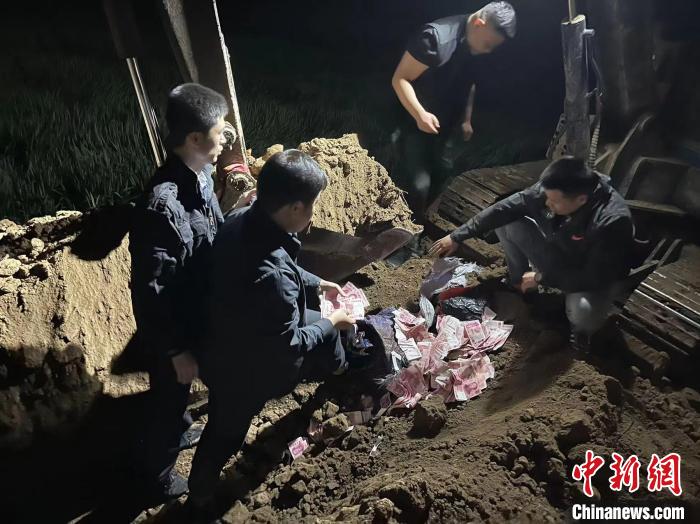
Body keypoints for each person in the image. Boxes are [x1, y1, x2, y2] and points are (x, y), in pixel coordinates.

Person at [185, 149, 354, 514]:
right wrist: (334, 321)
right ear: (294, 208)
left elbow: (283, 264)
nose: (313, 214)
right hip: (243, 369)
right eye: (312, 206)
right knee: (225, 432)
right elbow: (288, 345)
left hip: (223, 332)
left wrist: (317, 282)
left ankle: (340, 369)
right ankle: (199, 498)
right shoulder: (274, 279)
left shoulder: (241, 217)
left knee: (322, 326)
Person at [129, 83, 249, 502]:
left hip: (195, 313)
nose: (226, 140)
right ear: (195, 139)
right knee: (168, 395)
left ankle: (180, 429)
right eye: (219, 132)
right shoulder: (163, 207)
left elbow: (208, 231)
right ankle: (157, 477)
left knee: (176, 398)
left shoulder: (200, 175)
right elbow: (151, 291)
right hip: (173, 327)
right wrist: (176, 350)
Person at [429, 157, 635, 349]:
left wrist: (540, 277)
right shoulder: (553, 190)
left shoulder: (612, 222)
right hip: (562, 253)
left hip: (594, 278)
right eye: (546, 197)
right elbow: (504, 209)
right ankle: (519, 287)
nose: (547, 204)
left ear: (581, 199)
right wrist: (456, 236)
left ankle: (579, 335)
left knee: (581, 311)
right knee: (508, 222)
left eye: (554, 202)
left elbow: (592, 278)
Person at [391, 1, 517, 218]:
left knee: (443, 173)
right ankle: (403, 229)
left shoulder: (475, 45)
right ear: (479, 24)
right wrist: (420, 114)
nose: (488, 51)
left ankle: (422, 219)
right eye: (488, 44)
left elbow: (470, 83)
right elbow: (400, 79)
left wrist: (466, 119)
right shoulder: (434, 38)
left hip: (445, 125)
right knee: (418, 185)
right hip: (413, 122)